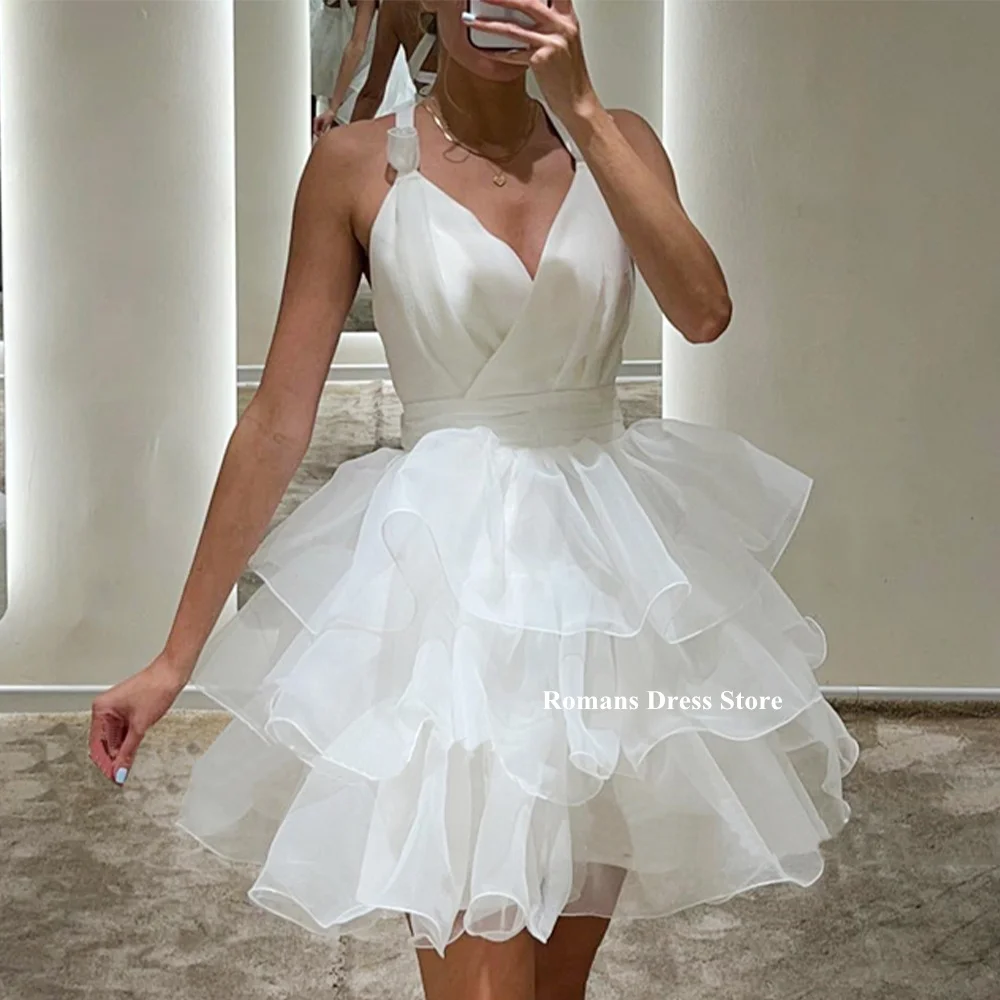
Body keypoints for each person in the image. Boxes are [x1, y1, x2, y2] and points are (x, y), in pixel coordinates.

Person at [89, 2, 859, 998]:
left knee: (556, 985)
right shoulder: (356, 166)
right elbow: (277, 420)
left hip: (601, 593)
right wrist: (175, 656)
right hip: (448, 604)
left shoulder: (616, 142)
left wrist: (583, 112)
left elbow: (703, 311)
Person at [312, 0, 416, 137]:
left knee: (352, 131)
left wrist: (333, 108)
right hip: (344, 64)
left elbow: (357, 46)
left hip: (373, 64)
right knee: (339, 131)